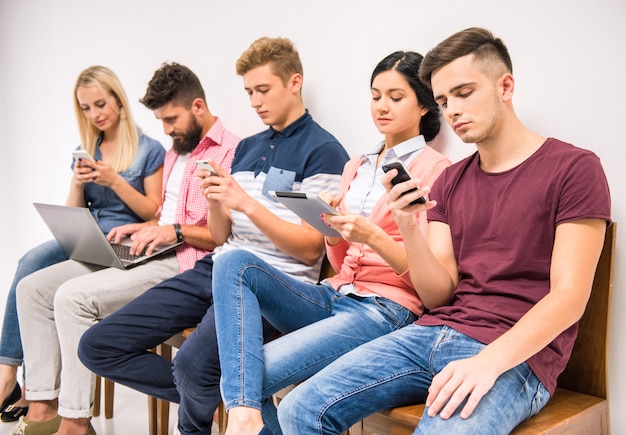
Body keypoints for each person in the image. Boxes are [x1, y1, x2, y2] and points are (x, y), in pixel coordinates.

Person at [274, 27, 612, 435]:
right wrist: (407, 227)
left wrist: (490, 361)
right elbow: (438, 294)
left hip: (517, 355)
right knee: (299, 408)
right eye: (443, 100)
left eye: (464, 93)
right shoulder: (451, 181)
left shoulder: (574, 168)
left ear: (505, 86)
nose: (452, 110)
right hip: (431, 333)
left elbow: (569, 297)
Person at [78, 36, 350, 435]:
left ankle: (202, 404)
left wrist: (245, 203)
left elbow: (311, 249)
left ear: (294, 82)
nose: (255, 101)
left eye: (263, 90)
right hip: (218, 266)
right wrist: (219, 200)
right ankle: (218, 393)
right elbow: (221, 235)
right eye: (248, 92)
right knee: (97, 345)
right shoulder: (250, 146)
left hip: (274, 285)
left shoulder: (324, 151)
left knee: (192, 366)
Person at [211, 50, 452, 435]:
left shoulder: (437, 171)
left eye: (396, 96)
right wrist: (330, 230)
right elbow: (341, 264)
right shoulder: (356, 165)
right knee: (232, 262)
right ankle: (244, 416)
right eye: (375, 96)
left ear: (424, 104)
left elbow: (423, 276)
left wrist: (371, 235)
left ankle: (242, 418)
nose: (382, 107)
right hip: (336, 294)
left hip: (386, 309)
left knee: (246, 376)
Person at [13, 62, 239, 435]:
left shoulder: (231, 151)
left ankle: (75, 422)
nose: (165, 131)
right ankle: (41, 406)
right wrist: (145, 227)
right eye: (161, 121)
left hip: (184, 260)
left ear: (198, 107)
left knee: (72, 299)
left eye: (171, 120)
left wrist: (172, 231)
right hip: (148, 246)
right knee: (32, 288)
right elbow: (162, 214)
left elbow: (221, 234)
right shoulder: (175, 151)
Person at [0, 65, 166, 424]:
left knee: (51, 289)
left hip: (123, 239)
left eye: (101, 104)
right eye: (87, 108)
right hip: (87, 232)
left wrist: (115, 181)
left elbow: (155, 212)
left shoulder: (149, 150)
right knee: (30, 263)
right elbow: (74, 211)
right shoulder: (86, 148)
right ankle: (19, 380)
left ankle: (35, 394)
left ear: (119, 101)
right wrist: (77, 181)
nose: (96, 114)